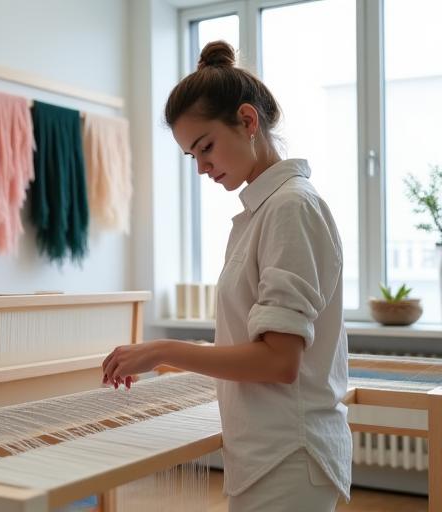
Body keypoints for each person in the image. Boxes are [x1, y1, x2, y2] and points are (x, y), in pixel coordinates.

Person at [102, 40, 351, 512]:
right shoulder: (263, 211)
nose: (201, 168)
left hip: (289, 456)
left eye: (206, 147)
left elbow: (280, 361)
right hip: (266, 453)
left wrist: (161, 350)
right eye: (190, 156)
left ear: (248, 121)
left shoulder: (291, 208)